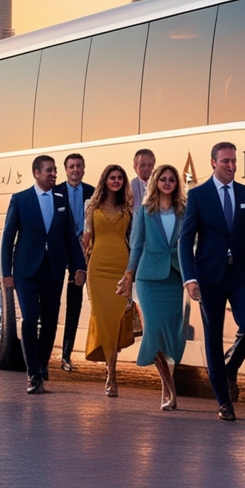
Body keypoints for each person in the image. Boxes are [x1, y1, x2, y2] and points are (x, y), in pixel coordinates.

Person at [179, 141, 245, 421]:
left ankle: (230, 369)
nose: (231, 166)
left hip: (240, 273)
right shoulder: (198, 196)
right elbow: (185, 240)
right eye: (225, 162)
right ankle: (223, 402)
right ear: (213, 163)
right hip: (209, 276)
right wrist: (190, 278)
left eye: (233, 162)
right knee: (213, 338)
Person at [1, 155, 86, 394]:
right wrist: (7, 273)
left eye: (55, 170)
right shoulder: (20, 200)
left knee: (49, 322)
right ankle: (31, 373)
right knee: (30, 319)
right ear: (36, 173)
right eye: (49, 170)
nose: (53, 174)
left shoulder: (61, 199)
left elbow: (70, 237)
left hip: (53, 270)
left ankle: (40, 367)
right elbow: (8, 238)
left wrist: (79, 267)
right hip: (26, 271)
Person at [117, 165, 186, 410]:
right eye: (163, 179)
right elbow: (136, 245)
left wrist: (191, 277)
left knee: (171, 335)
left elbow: (188, 245)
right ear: (156, 182)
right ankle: (169, 388)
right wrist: (128, 275)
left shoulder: (184, 211)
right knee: (152, 332)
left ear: (176, 184)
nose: (167, 183)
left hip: (175, 278)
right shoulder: (145, 211)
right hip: (148, 278)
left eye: (171, 180)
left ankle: (167, 388)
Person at [82, 164, 134, 397]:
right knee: (102, 318)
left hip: (121, 266)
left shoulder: (129, 207)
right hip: (98, 268)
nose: (116, 181)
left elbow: (134, 240)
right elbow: (86, 242)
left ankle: (112, 369)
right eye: (112, 178)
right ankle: (110, 374)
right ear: (105, 180)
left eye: (119, 178)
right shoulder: (90, 206)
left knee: (116, 319)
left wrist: (132, 272)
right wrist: (82, 270)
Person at [53, 153, 93, 372]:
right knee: (52, 304)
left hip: (82, 254)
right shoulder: (56, 192)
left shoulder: (92, 192)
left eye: (79, 166)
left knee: (75, 304)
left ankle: (66, 355)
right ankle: (47, 351)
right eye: (71, 166)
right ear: (65, 170)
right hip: (60, 253)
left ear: (84, 169)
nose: (75, 170)